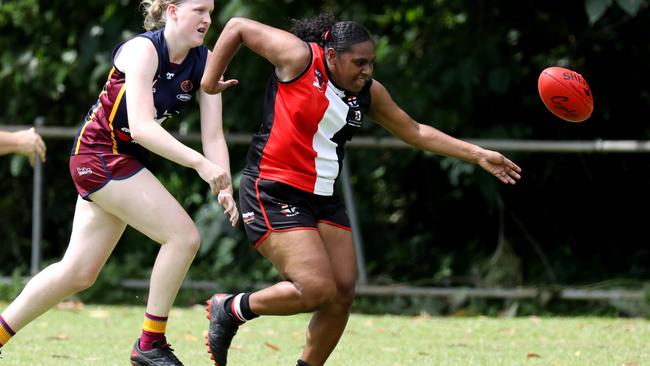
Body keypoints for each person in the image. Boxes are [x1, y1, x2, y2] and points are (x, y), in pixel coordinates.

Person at [200, 13, 522, 366]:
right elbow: (238, 27)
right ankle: (230, 308)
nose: (367, 70)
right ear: (332, 56)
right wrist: (209, 82)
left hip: (323, 197)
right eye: (359, 62)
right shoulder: (299, 58)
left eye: (371, 63)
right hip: (273, 189)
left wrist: (477, 155)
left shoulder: (367, 92)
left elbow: (414, 131)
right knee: (316, 289)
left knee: (341, 294)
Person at [0, 0, 238, 365]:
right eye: (199, 10)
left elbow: (214, 135)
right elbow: (142, 128)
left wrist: (223, 186)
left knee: (78, 272)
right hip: (98, 156)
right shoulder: (143, 50)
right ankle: (150, 343)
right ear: (172, 11)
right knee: (183, 237)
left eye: (210, 11)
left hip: (122, 161)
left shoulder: (204, 61)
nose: (208, 19)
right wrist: (200, 166)